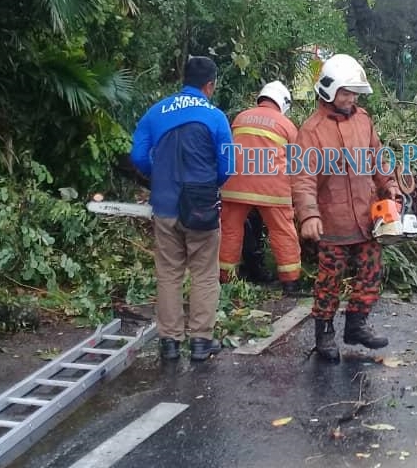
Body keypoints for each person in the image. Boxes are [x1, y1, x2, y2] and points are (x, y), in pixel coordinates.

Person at [292, 54, 399, 363]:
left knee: (371, 272)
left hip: (367, 218)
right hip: (332, 221)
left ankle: (356, 325)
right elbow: (302, 177)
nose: (350, 98)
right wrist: (309, 214)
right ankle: (324, 334)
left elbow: (377, 158)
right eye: (345, 92)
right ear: (328, 90)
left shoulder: (363, 120)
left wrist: (389, 184)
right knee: (329, 281)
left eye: (354, 93)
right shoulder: (311, 131)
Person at [130, 56, 235, 362]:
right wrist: (207, 186)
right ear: (210, 85)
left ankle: (170, 343)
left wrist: (158, 174)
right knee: (204, 273)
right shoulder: (215, 117)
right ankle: (201, 342)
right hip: (201, 207)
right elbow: (227, 165)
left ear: (183, 78)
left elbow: (138, 157)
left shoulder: (155, 111)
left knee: (169, 273)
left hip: (164, 206)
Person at [218, 80, 304, 295]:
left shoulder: (240, 117)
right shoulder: (286, 124)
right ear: (283, 102)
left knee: (230, 230)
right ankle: (290, 282)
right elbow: (298, 160)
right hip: (272, 189)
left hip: (235, 186)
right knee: (282, 230)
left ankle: (225, 279)